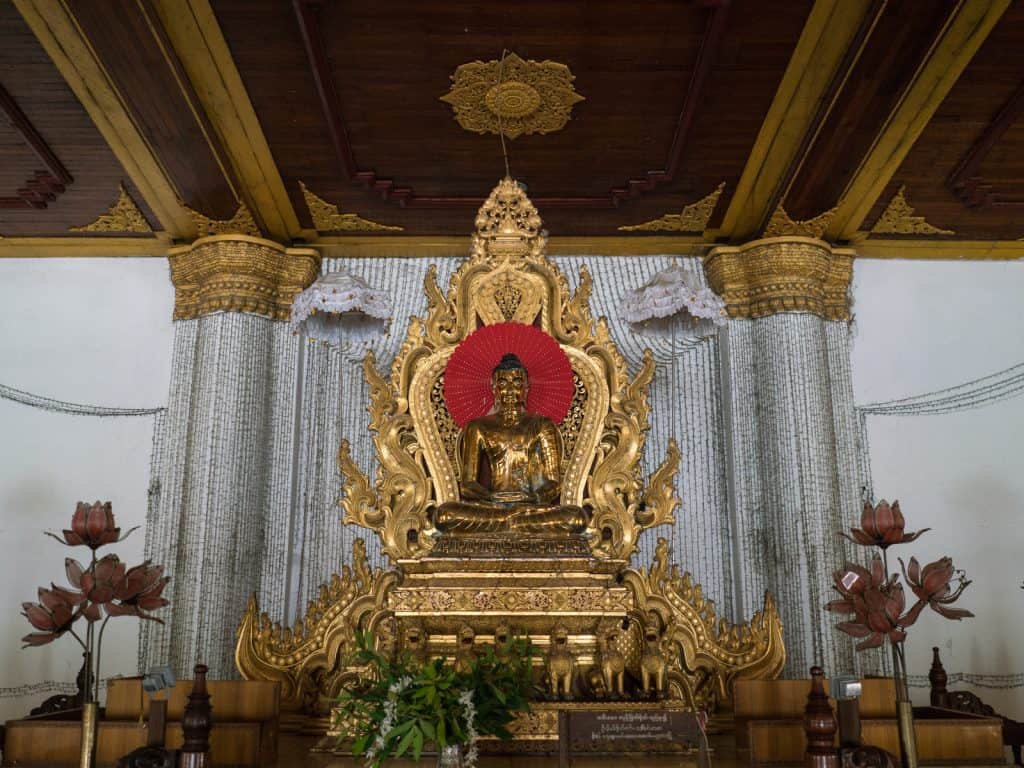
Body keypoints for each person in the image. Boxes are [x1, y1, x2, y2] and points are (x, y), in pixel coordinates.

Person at [434, 353, 588, 534]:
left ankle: (511, 522)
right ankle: (513, 523)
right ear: (494, 389)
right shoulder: (477, 427)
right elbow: (468, 485)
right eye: (503, 383)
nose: (509, 390)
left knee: (575, 518)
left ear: (526, 389)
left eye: (516, 383)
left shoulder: (542, 425)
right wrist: (491, 497)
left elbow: (554, 483)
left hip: (530, 508)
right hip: (493, 508)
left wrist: (533, 497)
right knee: (445, 515)